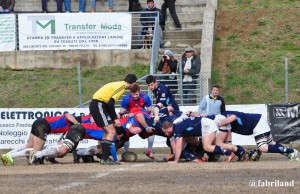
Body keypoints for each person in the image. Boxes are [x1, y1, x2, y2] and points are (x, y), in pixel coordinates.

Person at [89, 74, 137, 165]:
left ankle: (103, 157)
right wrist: (115, 119)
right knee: (111, 131)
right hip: (99, 104)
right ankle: (105, 159)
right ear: (133, 83)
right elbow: (111, 103)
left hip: (97, 104)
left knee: (107, 132)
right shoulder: (122, 86)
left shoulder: (118, 83)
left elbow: (108, 103)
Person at [0, 113, 79, 166]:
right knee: (35, 151)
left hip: (39, 122)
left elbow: (60, 142)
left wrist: (52, 157)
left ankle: (6, 155)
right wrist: (78, 124)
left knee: (29, 146)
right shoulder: (73, 121)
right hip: (43, 126)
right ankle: (10, 156)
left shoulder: (69, 129)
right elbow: (68, 114)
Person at [218, 110, 299, 161]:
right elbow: (228, 143)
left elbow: (233, 117)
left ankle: (291, 151)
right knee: (271, 143)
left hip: (256, 122)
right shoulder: (225, 125)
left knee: (263, 147)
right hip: (258, 121)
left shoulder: (223, 116)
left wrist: (218, 124)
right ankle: (290, 154)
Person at [161, 116, 246, 163]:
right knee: (221, 145)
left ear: (168, 128)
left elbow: (179, 147)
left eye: (165, 132)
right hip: (207, 123)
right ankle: (240, 150)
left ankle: (229, 154)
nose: (165, 134)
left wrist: (175, 160)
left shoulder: (176, 129)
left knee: (207, 147)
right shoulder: (177, 126)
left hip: (206, 125)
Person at [119, 83, 156, 159]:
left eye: (136, 94)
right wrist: (129, 113)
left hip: (141, 118)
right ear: (130, 93)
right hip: (131, 119)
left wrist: (146, 116)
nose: (135, 96)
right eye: (133, 94)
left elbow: (150, 110)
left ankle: (149, 150)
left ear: (139, 92)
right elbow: (121, 112)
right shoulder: (126, 99)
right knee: (126, 135)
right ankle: (126, 153)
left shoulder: (145, 97)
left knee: (151, 131)